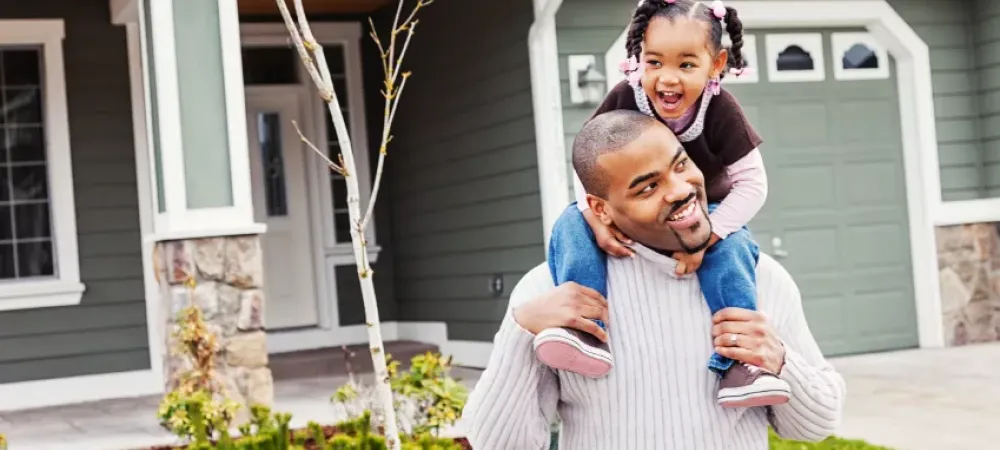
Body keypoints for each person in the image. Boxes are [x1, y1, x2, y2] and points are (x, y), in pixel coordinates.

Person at [460, 110, 845, 449]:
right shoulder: (549, 292)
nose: (680, 191)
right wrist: (520, 333)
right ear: (600, 209)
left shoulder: (761, 279)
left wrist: (781, 362)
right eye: (648, 188)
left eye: (680, 165)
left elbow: (816, 427)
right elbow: (497, 445)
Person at [533, 0, 780, 407]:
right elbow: (588, 165)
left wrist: (710, 236)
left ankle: (740, 365)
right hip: (635, 209)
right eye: (654, 62)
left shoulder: (720, 110)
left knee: (733, 250)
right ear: (637, 60)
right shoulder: (624, 97)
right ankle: (583, 330)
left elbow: (753, 185)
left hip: (705, 208)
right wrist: (596, 218)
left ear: (716, 64)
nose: (667, 79)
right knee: (570, 225)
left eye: (686, 65)